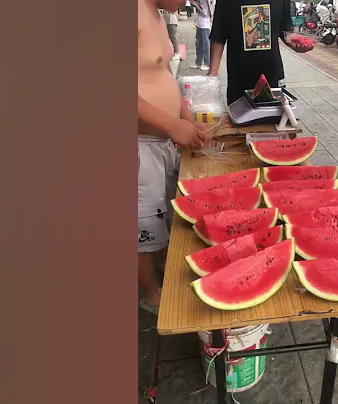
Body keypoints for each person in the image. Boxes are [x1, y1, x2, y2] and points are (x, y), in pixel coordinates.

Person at [138, 0, 213, 314]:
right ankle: (151, 293)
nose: (186, 1)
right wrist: (171, 124)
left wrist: (187, 119)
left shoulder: (156, 11)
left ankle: (164, 272)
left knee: (165, 214)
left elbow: (164, 76)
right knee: (142, 227)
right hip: (139, 146)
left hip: (164, 142)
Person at [208, 0, 314, 105]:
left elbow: (285, 31)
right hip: (239, 78)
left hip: (272, 77)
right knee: (240, 119)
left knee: (276, 118)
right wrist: (213, 72)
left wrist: (296, 43)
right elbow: (218, 35)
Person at [190, 0, 212, 71]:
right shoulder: (200, 1)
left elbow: (205, 13)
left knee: (205, 45)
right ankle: (198, 62)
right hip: (199, 24)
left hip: (205, 25)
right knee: (198, 44)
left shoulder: (205, 2)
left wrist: (196, 5)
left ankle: (207, 63)